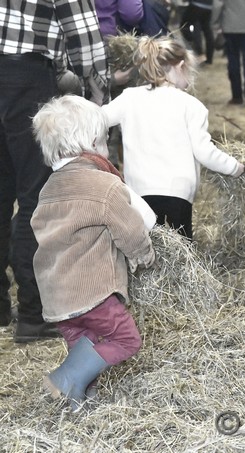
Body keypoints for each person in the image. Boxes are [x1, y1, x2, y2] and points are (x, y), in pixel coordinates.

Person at [31, 95, 155, 409]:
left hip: (55, 296)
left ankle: (79, 400)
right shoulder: (104, 185)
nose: (106, 147)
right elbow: (129, 228)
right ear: (91, 143)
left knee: (85, 343)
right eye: (104, 141)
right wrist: (143, 254)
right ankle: (65, 379)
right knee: (126, 340)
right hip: (92, 293)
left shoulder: (47, 189)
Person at [0, 0, 109, 342]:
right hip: (28, 76)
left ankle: (1, 307)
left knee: (1, 195)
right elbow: (83, 33)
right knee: (36, 196)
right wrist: (98, 87)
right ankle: (33, 314)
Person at [103, 36, 245, 240]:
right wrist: (234, 167)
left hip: (138, 193)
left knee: (147, 247)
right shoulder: (191, 106)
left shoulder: (129, 98)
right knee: (181, 251)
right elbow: (204, 152)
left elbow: (98, 118)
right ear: (179, 66)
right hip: (176, 192)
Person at [180, 0, 215, 65]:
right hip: (209, 6)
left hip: (196, 5)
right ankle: (209, 57)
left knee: (186, 26)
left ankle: (199, 52)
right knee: (207, 30)